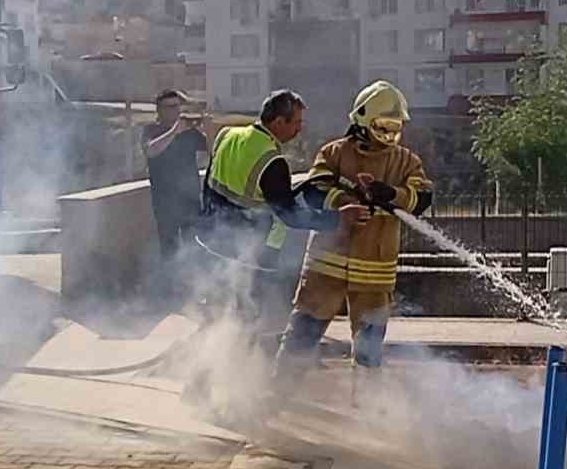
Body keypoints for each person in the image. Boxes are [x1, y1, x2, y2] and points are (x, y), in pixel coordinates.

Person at [274, 80, 433, 374]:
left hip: (375, 272)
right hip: (326, 266)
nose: (389, 134)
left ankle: (367, 411)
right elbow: (314, 190)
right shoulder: (334, 153)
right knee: (300, 338)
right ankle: (276, 395)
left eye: (394, 127)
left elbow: (422, 197)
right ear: (362, 120)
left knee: (369, 352)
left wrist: (390, 194)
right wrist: (344, 201)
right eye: (382, 126)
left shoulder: (407, 161)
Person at [197, 89, 369, 331]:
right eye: (296, 123)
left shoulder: (227, 135)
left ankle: (207, 356)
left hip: (214, 240)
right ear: (278, 122)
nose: (299, 129)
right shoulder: (272, 162)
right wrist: (337, 218)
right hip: (250, 253)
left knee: (219, 309)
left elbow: (210, 185)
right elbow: (290, 215)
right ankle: (246, 359)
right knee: (251, 315)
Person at [142, 90, 208, 294]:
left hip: (189, 198)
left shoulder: (189, 133)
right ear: (159, 110)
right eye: (170, 107)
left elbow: (210, 152)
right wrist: (174, 132)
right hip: (165, 201)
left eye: (177, 106)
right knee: (169, 247)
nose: (175, 111)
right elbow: (151, 150)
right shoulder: (151, 130)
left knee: (195, 245)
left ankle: (195, 289)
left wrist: (207, 128)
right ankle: (171, 291)